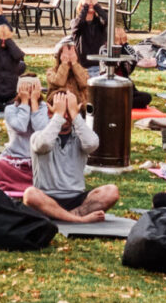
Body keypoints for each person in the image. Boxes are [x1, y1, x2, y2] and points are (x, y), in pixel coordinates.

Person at [25, 90, 121, 223]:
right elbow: (45, 144)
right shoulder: (39, 136)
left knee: (112, 191)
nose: (65, 116)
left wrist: (75, 115)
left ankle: (71, 215)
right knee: (30, 194)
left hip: (77, 199)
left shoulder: (81, 137)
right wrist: (57, 116)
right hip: (46, 197)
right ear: (50, 112)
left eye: (68, 112)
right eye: (62, 112)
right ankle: (78, 219)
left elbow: (92, 144)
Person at [0, 76, 46, 192]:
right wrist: (25, 103)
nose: (30, 93)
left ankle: (20, 182)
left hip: (37, 161)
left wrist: (34, 105)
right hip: (14, 160)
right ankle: (25, 182)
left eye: (33, 90)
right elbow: (21, 127)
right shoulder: (11, 109)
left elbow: (41, 131)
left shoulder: (44, 108)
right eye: (26, 90)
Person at [43, 38, 90, 104]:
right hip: (58, 104)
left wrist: (74, 63)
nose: (69, 58)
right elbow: (59, 82)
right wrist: (65, 63)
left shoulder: (82, 71)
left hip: (78, 104)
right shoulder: (51, 72)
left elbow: (84, 83)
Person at [70, 0, 108, 64]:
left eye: (92, 2)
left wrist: (96, 5)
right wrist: (86, 6)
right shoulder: (75, 22)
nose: (90, 3)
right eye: (87, 2)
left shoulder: (100, 22)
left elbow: (107, 20)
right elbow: (79, 24)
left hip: (99, 64)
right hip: (84, 65)